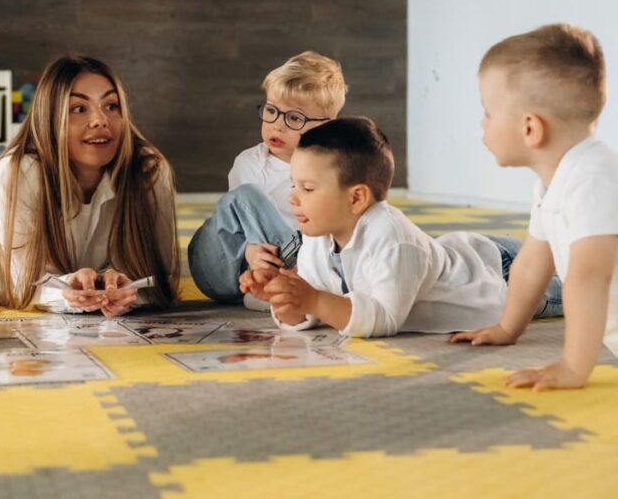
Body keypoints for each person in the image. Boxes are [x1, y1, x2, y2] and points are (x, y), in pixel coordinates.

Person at [241, 117, 563, 337]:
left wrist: (313, 300)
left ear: (356, 198)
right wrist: (284, 300)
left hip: (497, 277)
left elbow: (384, 318)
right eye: (294, 185)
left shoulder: (390, 235)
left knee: (589, 286)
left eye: (307, 188)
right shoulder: (317, 235)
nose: (293, 198)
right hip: (457, 255)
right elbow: (311, 312)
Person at [450, 24, 618, 390]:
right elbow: (531, 263)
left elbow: (589, 278)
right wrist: (508, 327)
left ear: (530, 129)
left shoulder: (593, 178)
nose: (483, 123)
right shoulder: (552, 181)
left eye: (488, 112)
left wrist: (573, 367)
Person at [0, 55, 180, 316]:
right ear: (50, 119)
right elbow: (21, 284)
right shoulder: (16, 173)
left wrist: (126, 288)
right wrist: (65, 294)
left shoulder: (149, 170)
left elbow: (160, 275)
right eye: (79, 109)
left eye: (111, 106)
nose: (100, 120)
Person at [188, 51, 347, 310]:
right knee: (244, 197)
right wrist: (252, 251)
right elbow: (238, 217)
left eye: (294, 118)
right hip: (228, 263)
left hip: (294, 263)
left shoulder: (332, 169)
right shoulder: (250, 163)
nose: (277, 126)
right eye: (271, 111)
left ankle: (278, 288)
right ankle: (287, 279)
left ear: (326, 127)